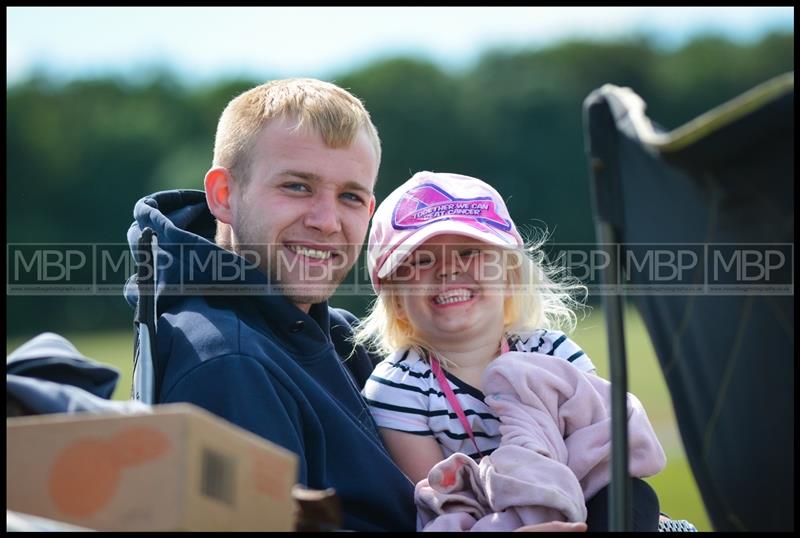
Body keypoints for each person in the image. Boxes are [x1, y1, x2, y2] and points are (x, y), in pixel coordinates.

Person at [123, 78, 417, 531]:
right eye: (298, 186)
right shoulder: (227, 361)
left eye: (350, 196)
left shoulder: (336, 333)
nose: (326, 221)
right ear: (224, 195)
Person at [355, 171, 667, 531]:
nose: (448, 270)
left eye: (470, 252)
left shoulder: (553, 352)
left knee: (632, 495)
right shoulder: (398, 386)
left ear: (509, 274)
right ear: (395, 299)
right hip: (485, 520)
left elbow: (601, 446)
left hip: (578, 503)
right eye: (423, 261)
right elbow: (439, 497)